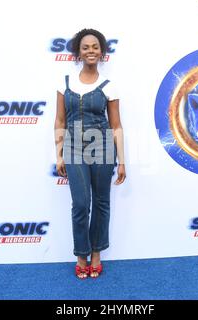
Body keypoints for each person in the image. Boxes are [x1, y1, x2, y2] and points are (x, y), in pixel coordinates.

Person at [54, 28, 126, 279]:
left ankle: (96, 253)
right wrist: (59, 154)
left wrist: (122, 161)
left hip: (103, 146)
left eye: (95, 46)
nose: (91, 51)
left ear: (102, 52)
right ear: (78, 52)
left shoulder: (110, 86)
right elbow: (60, 120)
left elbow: (116, 125)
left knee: (102, 202)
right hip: (73, 147)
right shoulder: (64, 83)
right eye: (86, 47)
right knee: (81, 203)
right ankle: (81, 255)